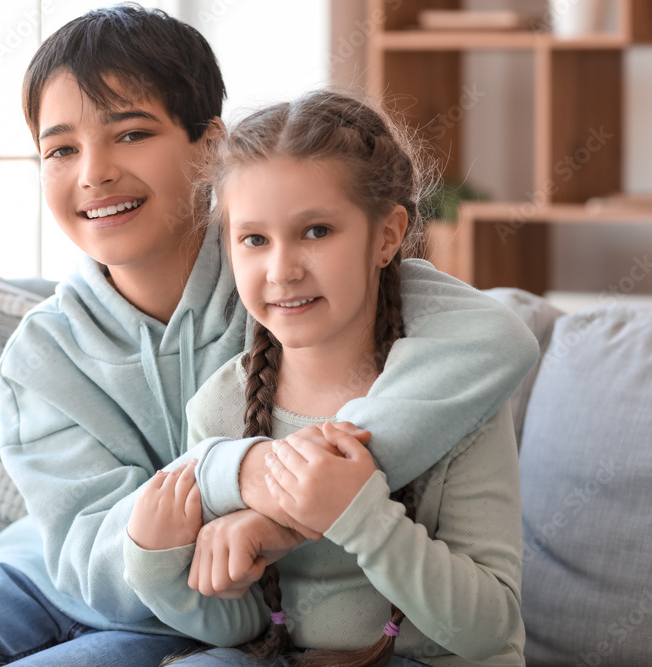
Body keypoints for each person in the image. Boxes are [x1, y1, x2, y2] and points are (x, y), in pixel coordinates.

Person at [0, 6, 535, 665]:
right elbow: (88, 562)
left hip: (207, 614)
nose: (95, 173)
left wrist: (278, 512)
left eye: (132, 133)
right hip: (78, 583)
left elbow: (490, 339)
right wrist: (233, 474)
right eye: (60, 150)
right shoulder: (43, 351)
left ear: (209, 148)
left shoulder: (289, 283)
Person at [124, 90, 525, 667]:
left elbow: (489, 627)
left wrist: (361, 515)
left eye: (316, 231)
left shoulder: (453, 394)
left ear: (386, 236)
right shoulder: (220, 409)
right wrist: (157, 565)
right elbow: (242, 620)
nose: (282, 269)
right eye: (254, 239)